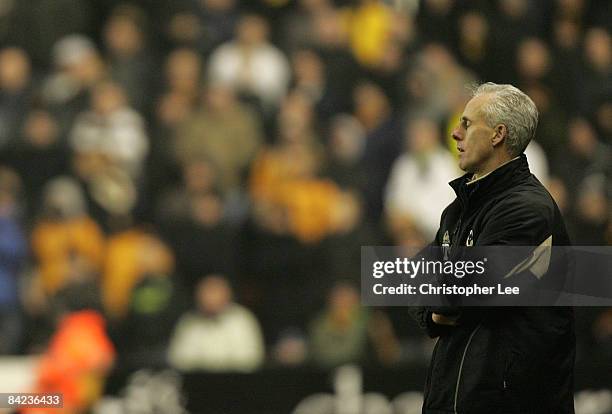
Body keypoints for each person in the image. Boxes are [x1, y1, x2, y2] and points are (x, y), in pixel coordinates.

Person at [409, 83, 575, 413]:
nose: (455, 133)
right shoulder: (458, 210)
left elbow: (465, 291)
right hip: (455, 399)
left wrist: (444, 296)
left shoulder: (527, 210)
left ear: (498, 134)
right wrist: (435, 307)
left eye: (467, 124)